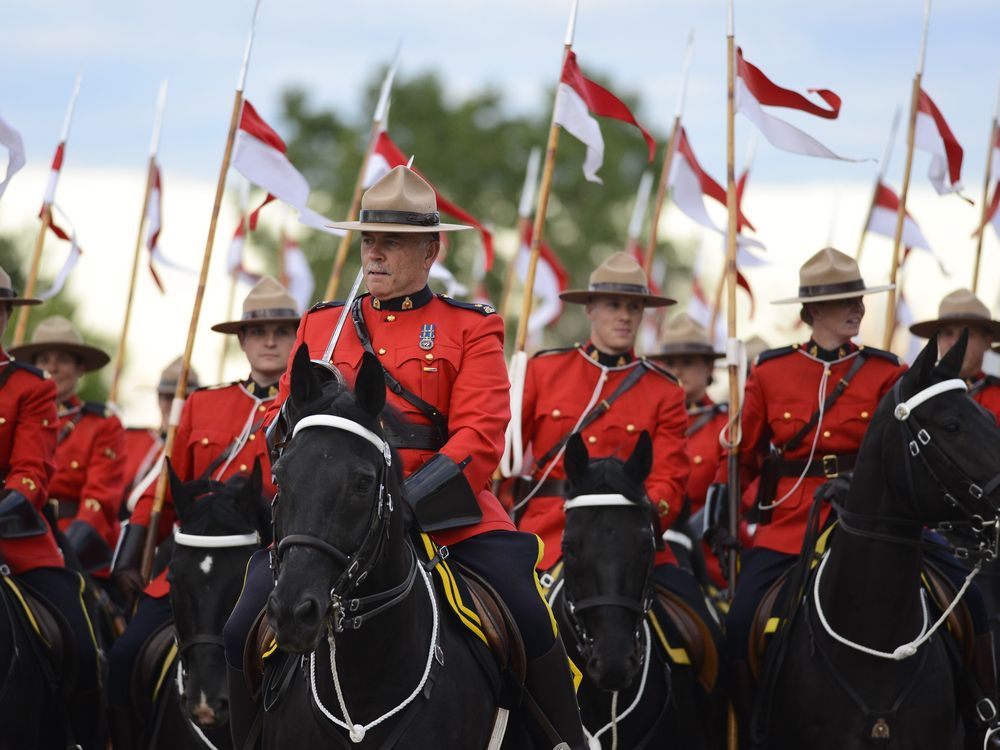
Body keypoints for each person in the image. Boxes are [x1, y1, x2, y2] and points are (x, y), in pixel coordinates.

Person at [225, 166, 587, 749]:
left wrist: (405, 504)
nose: (375, 253)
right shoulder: (324, 324)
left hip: (448, 517)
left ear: (430, 249)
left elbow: (480, 437)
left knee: (525, 610)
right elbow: (286, 423)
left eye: (392, 241)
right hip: (336, 517)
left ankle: (567, 741)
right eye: (369, 239)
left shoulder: (470, 326)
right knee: (241, 624)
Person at [710, 247, 907, 723]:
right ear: (814, 311)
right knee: (738, 624)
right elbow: (741, 456)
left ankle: (981, 715)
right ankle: (752, 718)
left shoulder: (886, 371)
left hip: (866, 522)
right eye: (846, 301)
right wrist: (722, 516)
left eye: (859, 298)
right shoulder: (771, 372)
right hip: (789, 525)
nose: (858, 308)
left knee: (967, 601)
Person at [107, 276, 297, 747]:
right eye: (258, 332)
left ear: (298, 338)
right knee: (124, 656)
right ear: (242, 341)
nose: (269, 340)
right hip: (198, 569)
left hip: (273, 562)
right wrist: (130, 557)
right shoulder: (203, 403)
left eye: (281, 331)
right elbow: (163, 494)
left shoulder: (309, 409)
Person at [515, 254, 720, 639]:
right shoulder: (544, 371)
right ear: (590, 309)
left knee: (701, 628)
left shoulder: (663, 390)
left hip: (632, 539)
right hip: (551, 534)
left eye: (634, 307)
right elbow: (505, 454)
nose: (624, 316)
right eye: (613, 305)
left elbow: (671, 477)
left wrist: (635, 519)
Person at [0, 269, 103, 748]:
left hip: (16, 539)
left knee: (81, 648)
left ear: (5, 315)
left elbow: (30, 474)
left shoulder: (29, 386)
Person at [10, 316, 127, 582]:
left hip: (77, 545)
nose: (53, 368)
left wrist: (68, 549)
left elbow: (100, 499)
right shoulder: (13, 417)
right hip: (16, 531)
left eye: (62, 360)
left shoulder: (102, 424)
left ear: (80, 368)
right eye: (44, 360)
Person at [648, 312, 732, 589]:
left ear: (709, 368)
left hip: (706, 553)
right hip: (647, 540)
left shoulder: (726, 427)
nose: (677, 371)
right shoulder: (645, 422)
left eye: (687, 362)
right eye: (669, 363)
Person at [119, 356, 200, 517]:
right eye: (168, 397)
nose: (175, 405)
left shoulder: (198, 448)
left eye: (185, 398)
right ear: (158, 399)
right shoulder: (132, 439)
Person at [909, 288, 1000, 421]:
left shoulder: (997, 399)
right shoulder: (914, 393)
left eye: (966, 335)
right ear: (937, 340)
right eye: (947, 333)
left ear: (987, 342)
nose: (955, 343)